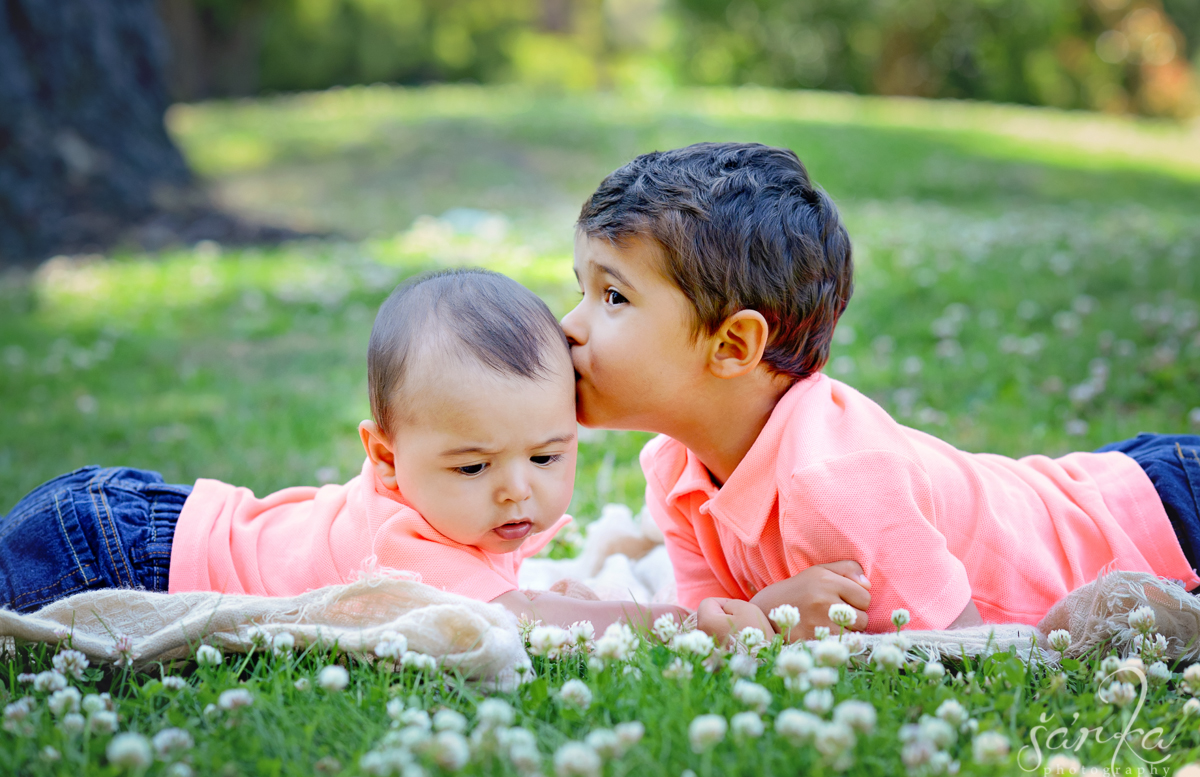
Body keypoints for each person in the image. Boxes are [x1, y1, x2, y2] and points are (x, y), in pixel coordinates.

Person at [560, 141, 1200, 640]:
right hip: (1099, 487)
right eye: (582, 289)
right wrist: (761, 618)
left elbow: (963, 651)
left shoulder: (835, 483)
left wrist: (768, 623)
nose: (569, 325)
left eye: (613, 296)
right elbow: (715, 628)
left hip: (1166, 516)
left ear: (733, 347)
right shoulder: (674, 467)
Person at [0, 269, 691, 633]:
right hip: (107, 554)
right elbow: (518, 618)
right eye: (474, 466)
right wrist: (661, 620)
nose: (517, 488)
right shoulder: (402, 541)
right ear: (385, 457)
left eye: (546, 457)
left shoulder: (455, 506)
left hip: (136, 518)